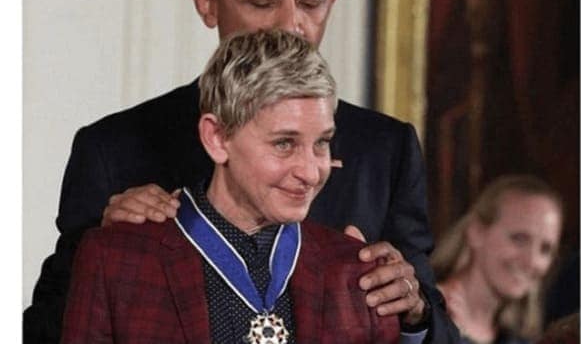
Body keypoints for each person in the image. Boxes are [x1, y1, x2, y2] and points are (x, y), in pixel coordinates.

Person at [25, 0, 458, 343]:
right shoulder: (113, 149)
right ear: (207, 2)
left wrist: (413, 313)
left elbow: (434, 324)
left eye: (310, 1)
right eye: (262, 1)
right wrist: (104, 252)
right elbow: (47, 328)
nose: (290, 24)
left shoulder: (385, 147)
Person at [61, 30, 402, 343]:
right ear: (217, 137)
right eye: (284, 144)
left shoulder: (359, 273)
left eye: (322, 143)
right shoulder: (117, 260)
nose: (311, 173)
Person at [431, 175, 563, 344]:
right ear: (476, 232)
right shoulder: (423, 314)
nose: (531, 261)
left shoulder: (519, 338)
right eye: (519, 239)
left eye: (545, 249)